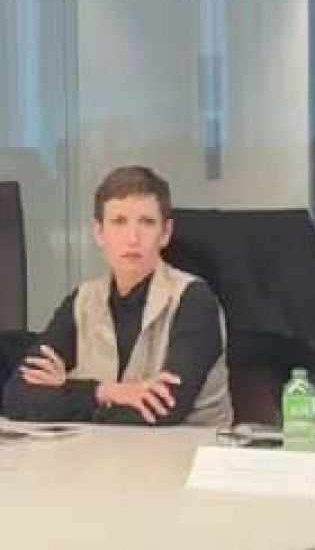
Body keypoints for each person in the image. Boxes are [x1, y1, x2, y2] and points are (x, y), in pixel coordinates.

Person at [2, 165, 231, 426]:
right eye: (119, 222)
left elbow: (162, 410)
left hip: (184, 449)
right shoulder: (83, 301)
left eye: (146, 222)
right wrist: (105, 392)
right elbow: (17, 397)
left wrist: (67, 390)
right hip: (100, 449)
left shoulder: (194, 300)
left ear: (165, 233)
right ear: (99, 233)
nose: (132, 238)